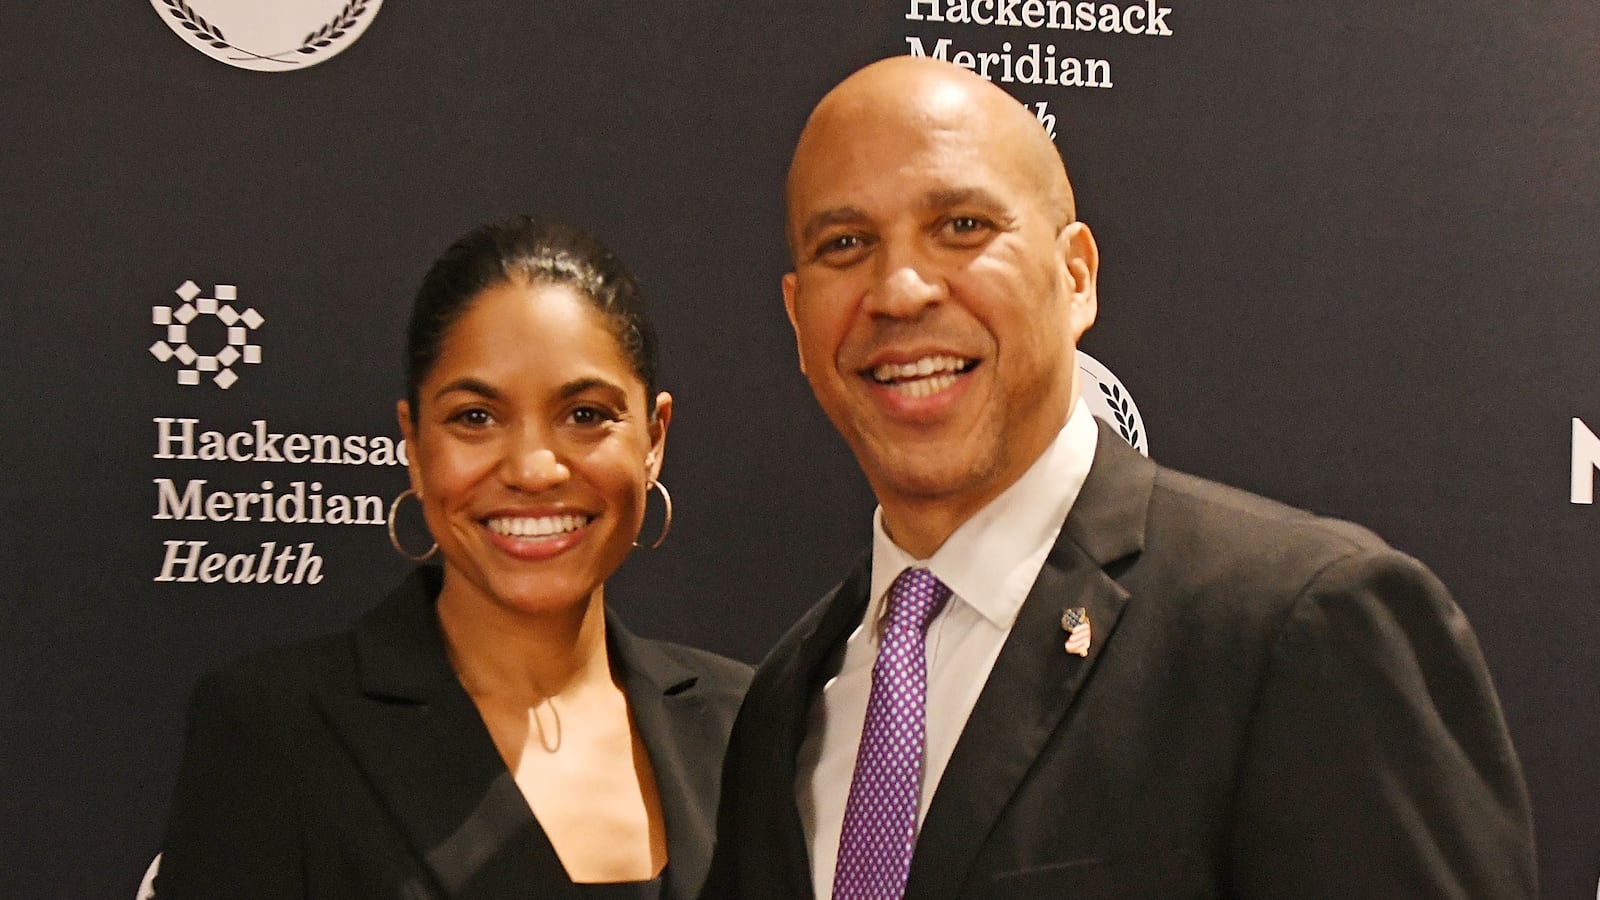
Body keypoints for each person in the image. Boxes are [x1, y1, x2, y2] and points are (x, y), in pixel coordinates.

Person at [708, 56, 1536, 899]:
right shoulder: (787, 702)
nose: (901, 290)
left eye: (961, 226)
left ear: (1075, 277)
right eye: (844, 244)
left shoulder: (1299, 627)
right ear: (797, 316)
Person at [157, 216, 750, 899]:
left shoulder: (748, 726)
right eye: (476, 417)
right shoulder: (273, 733)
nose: (533, 468)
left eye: (586, 414)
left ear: (653, 439)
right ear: (413, 443)